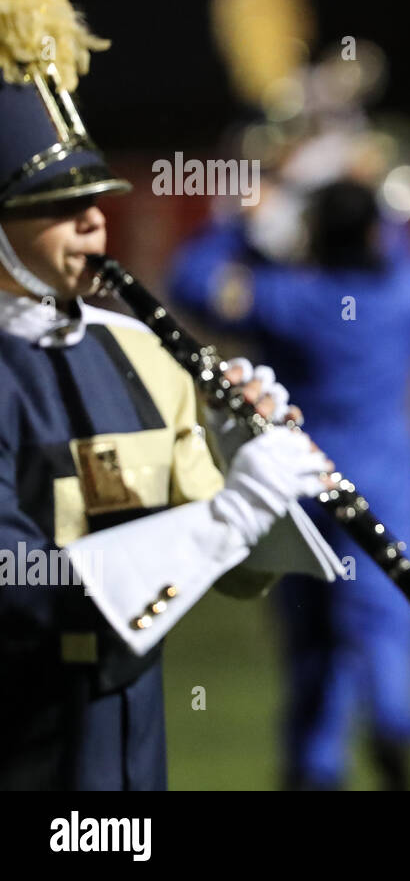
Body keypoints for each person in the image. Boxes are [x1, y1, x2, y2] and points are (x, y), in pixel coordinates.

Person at [0, 73, 335, 789]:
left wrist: (236, 454)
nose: (93, 221)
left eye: (92, 198)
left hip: (133, 745)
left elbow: (238, 572)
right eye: (57, 205)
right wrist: (227, 513)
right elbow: (21, 590)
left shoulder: (138, 348)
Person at [168, 141, 410, 791]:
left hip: (296, 479)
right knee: (383, 616)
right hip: (387, 479)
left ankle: (316, 763)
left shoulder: (287, 295)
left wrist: (245, 220)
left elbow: (191, 284)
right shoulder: (407, 292)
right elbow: (397, 246)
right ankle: (394, 725)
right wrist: (358, 180)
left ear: (311, 234)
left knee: (312, 633)